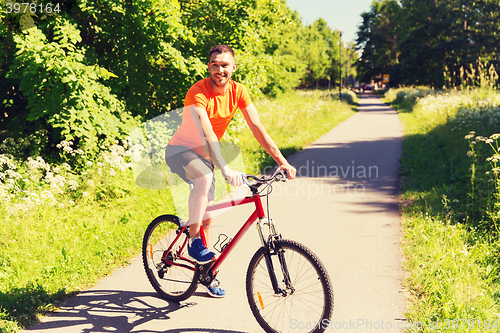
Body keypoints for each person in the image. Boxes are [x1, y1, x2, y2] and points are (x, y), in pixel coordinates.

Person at [165, 44, 296, 298]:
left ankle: (206, 272)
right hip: (180, 150)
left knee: (208, 214)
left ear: (233, 67)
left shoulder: (239, 92)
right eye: (215, 64)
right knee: (204, 179)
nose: (220, 69)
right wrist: (224, 168)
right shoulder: (198, 92)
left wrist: (281, 161)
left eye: (225, 65)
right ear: (208, 67)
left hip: (205, 156)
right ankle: (193, 243)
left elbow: (257, 127)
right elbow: (207, 131)